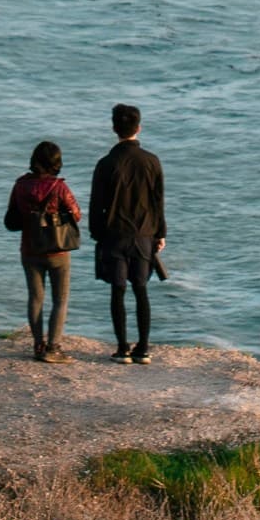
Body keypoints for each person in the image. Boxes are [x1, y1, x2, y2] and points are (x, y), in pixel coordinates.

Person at [89, 102, 165, 363]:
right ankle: (143, 348)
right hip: (144, 235)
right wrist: (160, 233)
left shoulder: (106, 163)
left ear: (114, 129)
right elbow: (158, 201)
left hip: (114, 235)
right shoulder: (152, 162)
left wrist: (97, 234)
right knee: (141, 289)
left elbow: (96, 204)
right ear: (139, 127)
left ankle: (122, 348)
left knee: (118, 290)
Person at [3, 138, 81, 362]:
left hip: (29, 249)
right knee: (60, 299)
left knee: (35, 298)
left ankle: (38, 345)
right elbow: (76, 214)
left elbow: (12, 216)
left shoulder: (20, 185)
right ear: (56, 162)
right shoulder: (59, 187)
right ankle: (53, 348)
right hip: (57, 251)